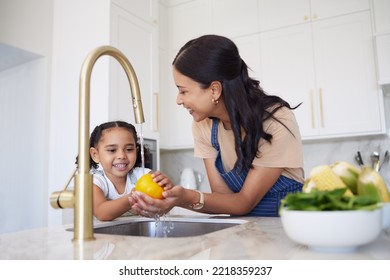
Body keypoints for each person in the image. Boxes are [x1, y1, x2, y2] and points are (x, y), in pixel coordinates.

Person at [131, 34, 304, 217]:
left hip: (284, 230)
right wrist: (175, 196)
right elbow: (223, 199)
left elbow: (243, 203)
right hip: (242, 231)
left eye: (183, 91)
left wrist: (184, 197)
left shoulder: (276, 120)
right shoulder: (203, 126)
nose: (178, 100)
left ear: (214, 90)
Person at [84, 121, 171, 221]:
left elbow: (167, 197)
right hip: (104, 236)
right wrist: (135, 196)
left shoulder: (143, 175)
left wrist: (166, 186)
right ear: (95, 155)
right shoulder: (95, 181)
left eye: (129, 149)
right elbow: (102, 213)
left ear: (136, 151)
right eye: (112, 150)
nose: (122, 156)